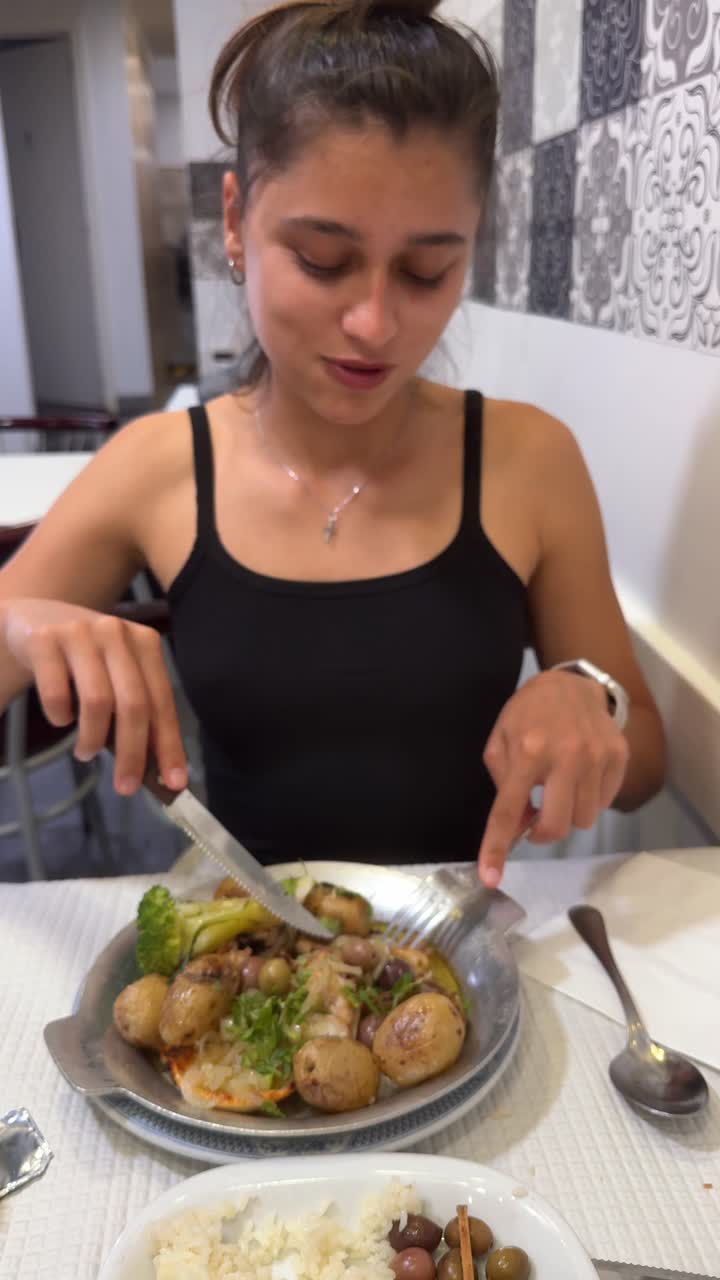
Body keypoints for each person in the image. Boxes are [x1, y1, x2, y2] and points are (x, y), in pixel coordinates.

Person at [0, 0, 665, 885]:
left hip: (460, 962)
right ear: (236, 221)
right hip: (246, 953)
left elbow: (645, 763)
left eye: (429, 271)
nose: (375, 322)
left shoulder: (528, 459)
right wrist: (15, 628)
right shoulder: (158, 467)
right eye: (323, 259)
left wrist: (593, 697)